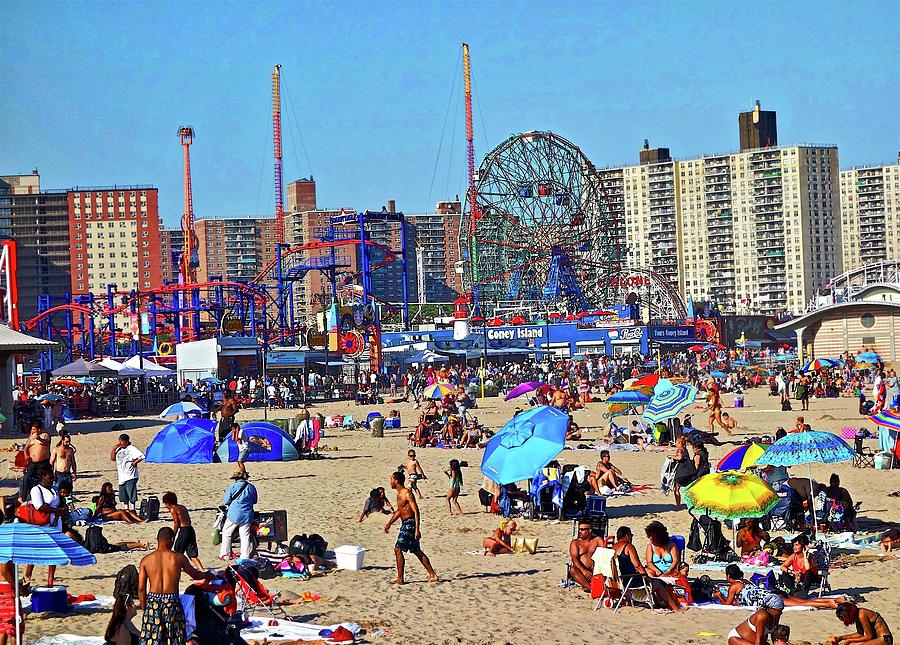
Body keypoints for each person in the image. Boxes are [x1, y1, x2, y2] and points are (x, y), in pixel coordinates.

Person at [139, 527, 213, 645]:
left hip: (153, 602)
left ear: (157, 539)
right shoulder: (178, 558)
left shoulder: (146, 560)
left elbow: (141, 588)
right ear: (172, 540)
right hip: (172, 602)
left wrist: (144, 609)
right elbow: (195, 575)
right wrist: (207, 575)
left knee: (150, 639)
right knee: (175, 638)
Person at [384, 470, 438, 584]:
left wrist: (417, 529)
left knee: (398, 549)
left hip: (410, 524)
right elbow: (400, 511)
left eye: (391, 479)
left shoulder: (407, 493)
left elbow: (416, 511)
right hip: (405, 523)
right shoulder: (398, 494)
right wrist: (389, 523)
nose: (390, 482)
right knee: (416, 550)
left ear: (396, 481)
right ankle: (432, 574)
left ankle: (400, 579)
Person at [612, 526, 684, 611]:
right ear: (627, 536)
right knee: (657, 584)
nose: (632, 537)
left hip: (618, 581)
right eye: (631, 535)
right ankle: (676, 608)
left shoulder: (613, 548)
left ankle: (657, 604)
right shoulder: (628, 547)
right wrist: (647, 578)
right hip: (630, 581)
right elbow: (638, 566)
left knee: (654, 580)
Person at [714, 563, 847, 609]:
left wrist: (719, 596)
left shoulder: (734, 586)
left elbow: (728, 605)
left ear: (728, 576)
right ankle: (836, 600)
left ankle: (830, 603)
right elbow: (742, 598)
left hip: (769, 600)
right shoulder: (745, 581)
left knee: (803, 605)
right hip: (771, 594)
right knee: (805, 601)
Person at [24, 465, 65, 586]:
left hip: (56, 523)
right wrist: (56, 511)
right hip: (41, 524)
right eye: (49, 478)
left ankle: (51, 578)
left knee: (54, 550)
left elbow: (58, 502)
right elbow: (40, 506)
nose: (52, 480)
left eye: (53, 478)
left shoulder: (54, 489)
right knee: (35, 551)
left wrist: (61, 510)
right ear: (43, 477)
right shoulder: (36, 489)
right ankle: (27, 577)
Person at [219, 472, 257, 562]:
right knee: (245, 535)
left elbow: (226, 501)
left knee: (227, 532)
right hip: (247, 514)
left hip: (234, 513)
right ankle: (245, 556)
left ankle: (225, 554)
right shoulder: (251, 487)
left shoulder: (232, 487)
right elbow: (255, 500)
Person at [162, 492, 203, 571]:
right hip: (190, 529)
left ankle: (175, 568)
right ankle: (202, 570)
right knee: (192, 555)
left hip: (184, 531)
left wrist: (173, 535)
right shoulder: (182, 507)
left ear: (168, 503)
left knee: (177, 551)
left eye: (166, 504)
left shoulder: (173, 509)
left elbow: (176, 523)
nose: (166, 506)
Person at [827, 601, 893, 645]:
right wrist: (841, 638)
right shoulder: (856, 615)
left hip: (885, 639)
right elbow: (859, 634)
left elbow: (869, 636)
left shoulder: (862, 615)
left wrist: (849, 641)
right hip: (877, 638)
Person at [110, 434, 144, 513]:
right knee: (123, 493)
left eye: (122, 441)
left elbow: (142, 456)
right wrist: (114, 449)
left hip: (130, 474)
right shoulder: (119, 449)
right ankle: (126, 508)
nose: (120, 443)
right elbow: (112, 458)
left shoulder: (131, 448)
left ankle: (133, 508)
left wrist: (135, 462)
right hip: (122, 475)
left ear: (126, 441)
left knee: (131, 492)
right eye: (119, 441)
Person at [18, 420, 51, 503]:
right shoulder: (31, 437)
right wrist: (26, 454)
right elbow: (26, 448)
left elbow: (46, 443)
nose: (32, 431)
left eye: (34, 429)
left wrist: (38, 438)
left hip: (42, 463)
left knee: (40, 479)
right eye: (32, 429)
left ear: (39, 430)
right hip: (32, 463)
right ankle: (23, 496)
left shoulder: (45, 435)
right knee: (27, 477)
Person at [569, 521, 605, 591]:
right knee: (573, 570)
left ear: (589, 531)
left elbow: (605, 552)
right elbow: (574, 559)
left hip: (596, 570)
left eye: (582, 530)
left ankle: (593, 586)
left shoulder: (597, 540)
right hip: (581, 571)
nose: (579, 531)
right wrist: (584, 571)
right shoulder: (575, 543)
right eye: (579, 529)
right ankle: (590, 587)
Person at [0, 561, 24, 645]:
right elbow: (4, 570)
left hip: (2, 588)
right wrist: (16, 586)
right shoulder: (4, 548)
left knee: (3, 627)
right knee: (15, 627)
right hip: (7, 589)